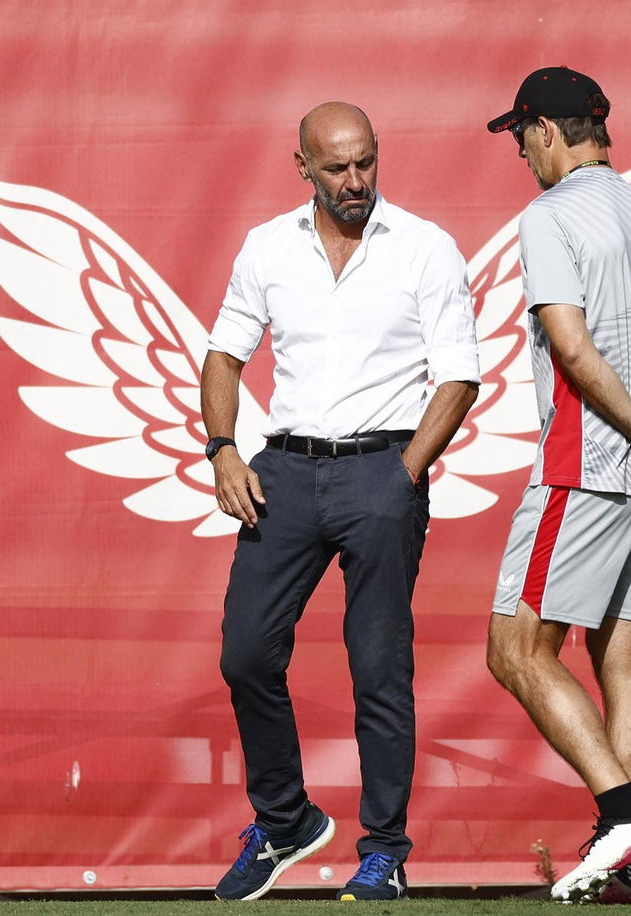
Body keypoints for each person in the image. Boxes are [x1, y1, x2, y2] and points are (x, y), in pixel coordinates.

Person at [200, 101, 481, 901]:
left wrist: (405, 475)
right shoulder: (266, 246)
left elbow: (457, 375)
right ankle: (285, 822)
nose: (355, 181)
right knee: (246, 653)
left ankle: (386, 849)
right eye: (336, 168)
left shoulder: (425, 247)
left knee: (378, 670)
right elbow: (223, 356)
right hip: (282, 473)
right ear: (303, 168)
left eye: (366, 163)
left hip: (382, 471)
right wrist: (223, 449)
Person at [481, 67, 631, 904]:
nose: (521, 155)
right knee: (622, 657)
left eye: (520, 137)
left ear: (547, 130)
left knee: (515, 651)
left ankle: (622, 812)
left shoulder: (549, 216)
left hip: (587, 467)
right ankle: (623, 869)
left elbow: (575, 353)